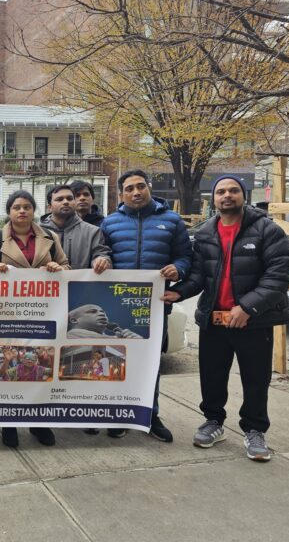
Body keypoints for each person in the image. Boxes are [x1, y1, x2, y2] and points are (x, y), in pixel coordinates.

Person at [163, 175, 289, 461]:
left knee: (255, 380)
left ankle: (255, 430)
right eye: (221, 191)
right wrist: (179, 293)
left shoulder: (267, 231)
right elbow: (199, 275)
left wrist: (247, 307)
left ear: (243, 195)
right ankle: (213, 422)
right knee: (212, 377)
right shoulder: (206, 233)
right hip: (214, 321)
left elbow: (278, 276)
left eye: (233, 190)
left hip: (253, 322)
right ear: (214, 198)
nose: (227, 195)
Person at [101, 169, 192, 443]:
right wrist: (102, 261)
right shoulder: (110, 223)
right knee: (115, 360)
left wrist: (178, 269)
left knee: (151, 363)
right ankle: (119, 414)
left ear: (149, 188)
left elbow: (185, 257)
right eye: (129, 189)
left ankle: (150, 415)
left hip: (154, 307)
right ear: (121, 194)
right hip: (119, 306)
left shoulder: (172, 221)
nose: (136, 192)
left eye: (141, 186)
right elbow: (102, 253)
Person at [0, 189, 69, 448]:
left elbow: (68, 267)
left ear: (34, 211)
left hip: (43, 314)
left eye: (27, 207)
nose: (22, 211)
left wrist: (58, 268)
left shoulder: (50, 237)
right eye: (16, 207)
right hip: (8, 315)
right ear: (9, 212)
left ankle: (38, 423)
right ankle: (9, 424)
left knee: (39, 368)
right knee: (11, 369)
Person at [40, 185, 110, 272]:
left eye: (69, 198)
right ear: (49, 207)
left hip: (80, 285)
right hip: (46, 285)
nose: (65, 202)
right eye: (59, 199)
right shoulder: (37, 232)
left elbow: (102, 254)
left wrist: (102, 261)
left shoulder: (93, 232)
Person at [68, 304, 142, 338]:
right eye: (92, 311)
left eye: (103, 312)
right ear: (74, 320)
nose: (101, 314)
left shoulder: (116, 338)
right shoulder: (70, 337)